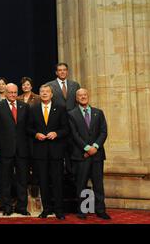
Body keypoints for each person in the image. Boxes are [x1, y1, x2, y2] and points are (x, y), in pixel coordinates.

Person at [27, 84, 69, 220]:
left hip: (56, 151)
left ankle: (59, 210)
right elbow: (28, 128)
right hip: (40, 151)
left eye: (47, 91)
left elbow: (66, 129)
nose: (44, 93)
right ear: (39, 94)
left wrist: (56, 133)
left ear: (52, 94)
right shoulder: (33, 109)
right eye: (42, 91)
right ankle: (46, 209)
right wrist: (36, 134)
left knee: (57, 181)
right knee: (43, 182)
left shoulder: (61, 108)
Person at [68, 89, 110, 220]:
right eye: (80, 95)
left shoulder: (99, 112)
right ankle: (82, 211)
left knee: (98, 184)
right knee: (81, 184)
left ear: (88, 96)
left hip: (97, 155)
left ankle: (100, 210)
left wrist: (95, 147)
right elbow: (74, 134)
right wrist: (86, 148)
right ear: (76, 98)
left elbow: (103, 132)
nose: (83, 97)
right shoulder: (71, 114)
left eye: (85, 95)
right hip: (82, 155)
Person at [0, 84, 31, 216]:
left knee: (22, 179)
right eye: (10, 92)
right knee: (5, 180)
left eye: (15, 92)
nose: (13, 95)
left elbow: (28, 129)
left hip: (22, 150)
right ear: (5, 93)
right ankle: (7, 206)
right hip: (5, 150)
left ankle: (22, 207)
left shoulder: (25, 107)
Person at [47, 63, 81, 180]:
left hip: (73, 122)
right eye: (60, 70)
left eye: (64, 70)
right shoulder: (49, 85)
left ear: (67, 72)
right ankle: (59, 176)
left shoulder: (75, 85)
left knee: (72, 149)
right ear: (56, 72)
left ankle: (73, 175)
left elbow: (78, 103)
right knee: (58, 151)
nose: (62, 72)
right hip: (57, 124)